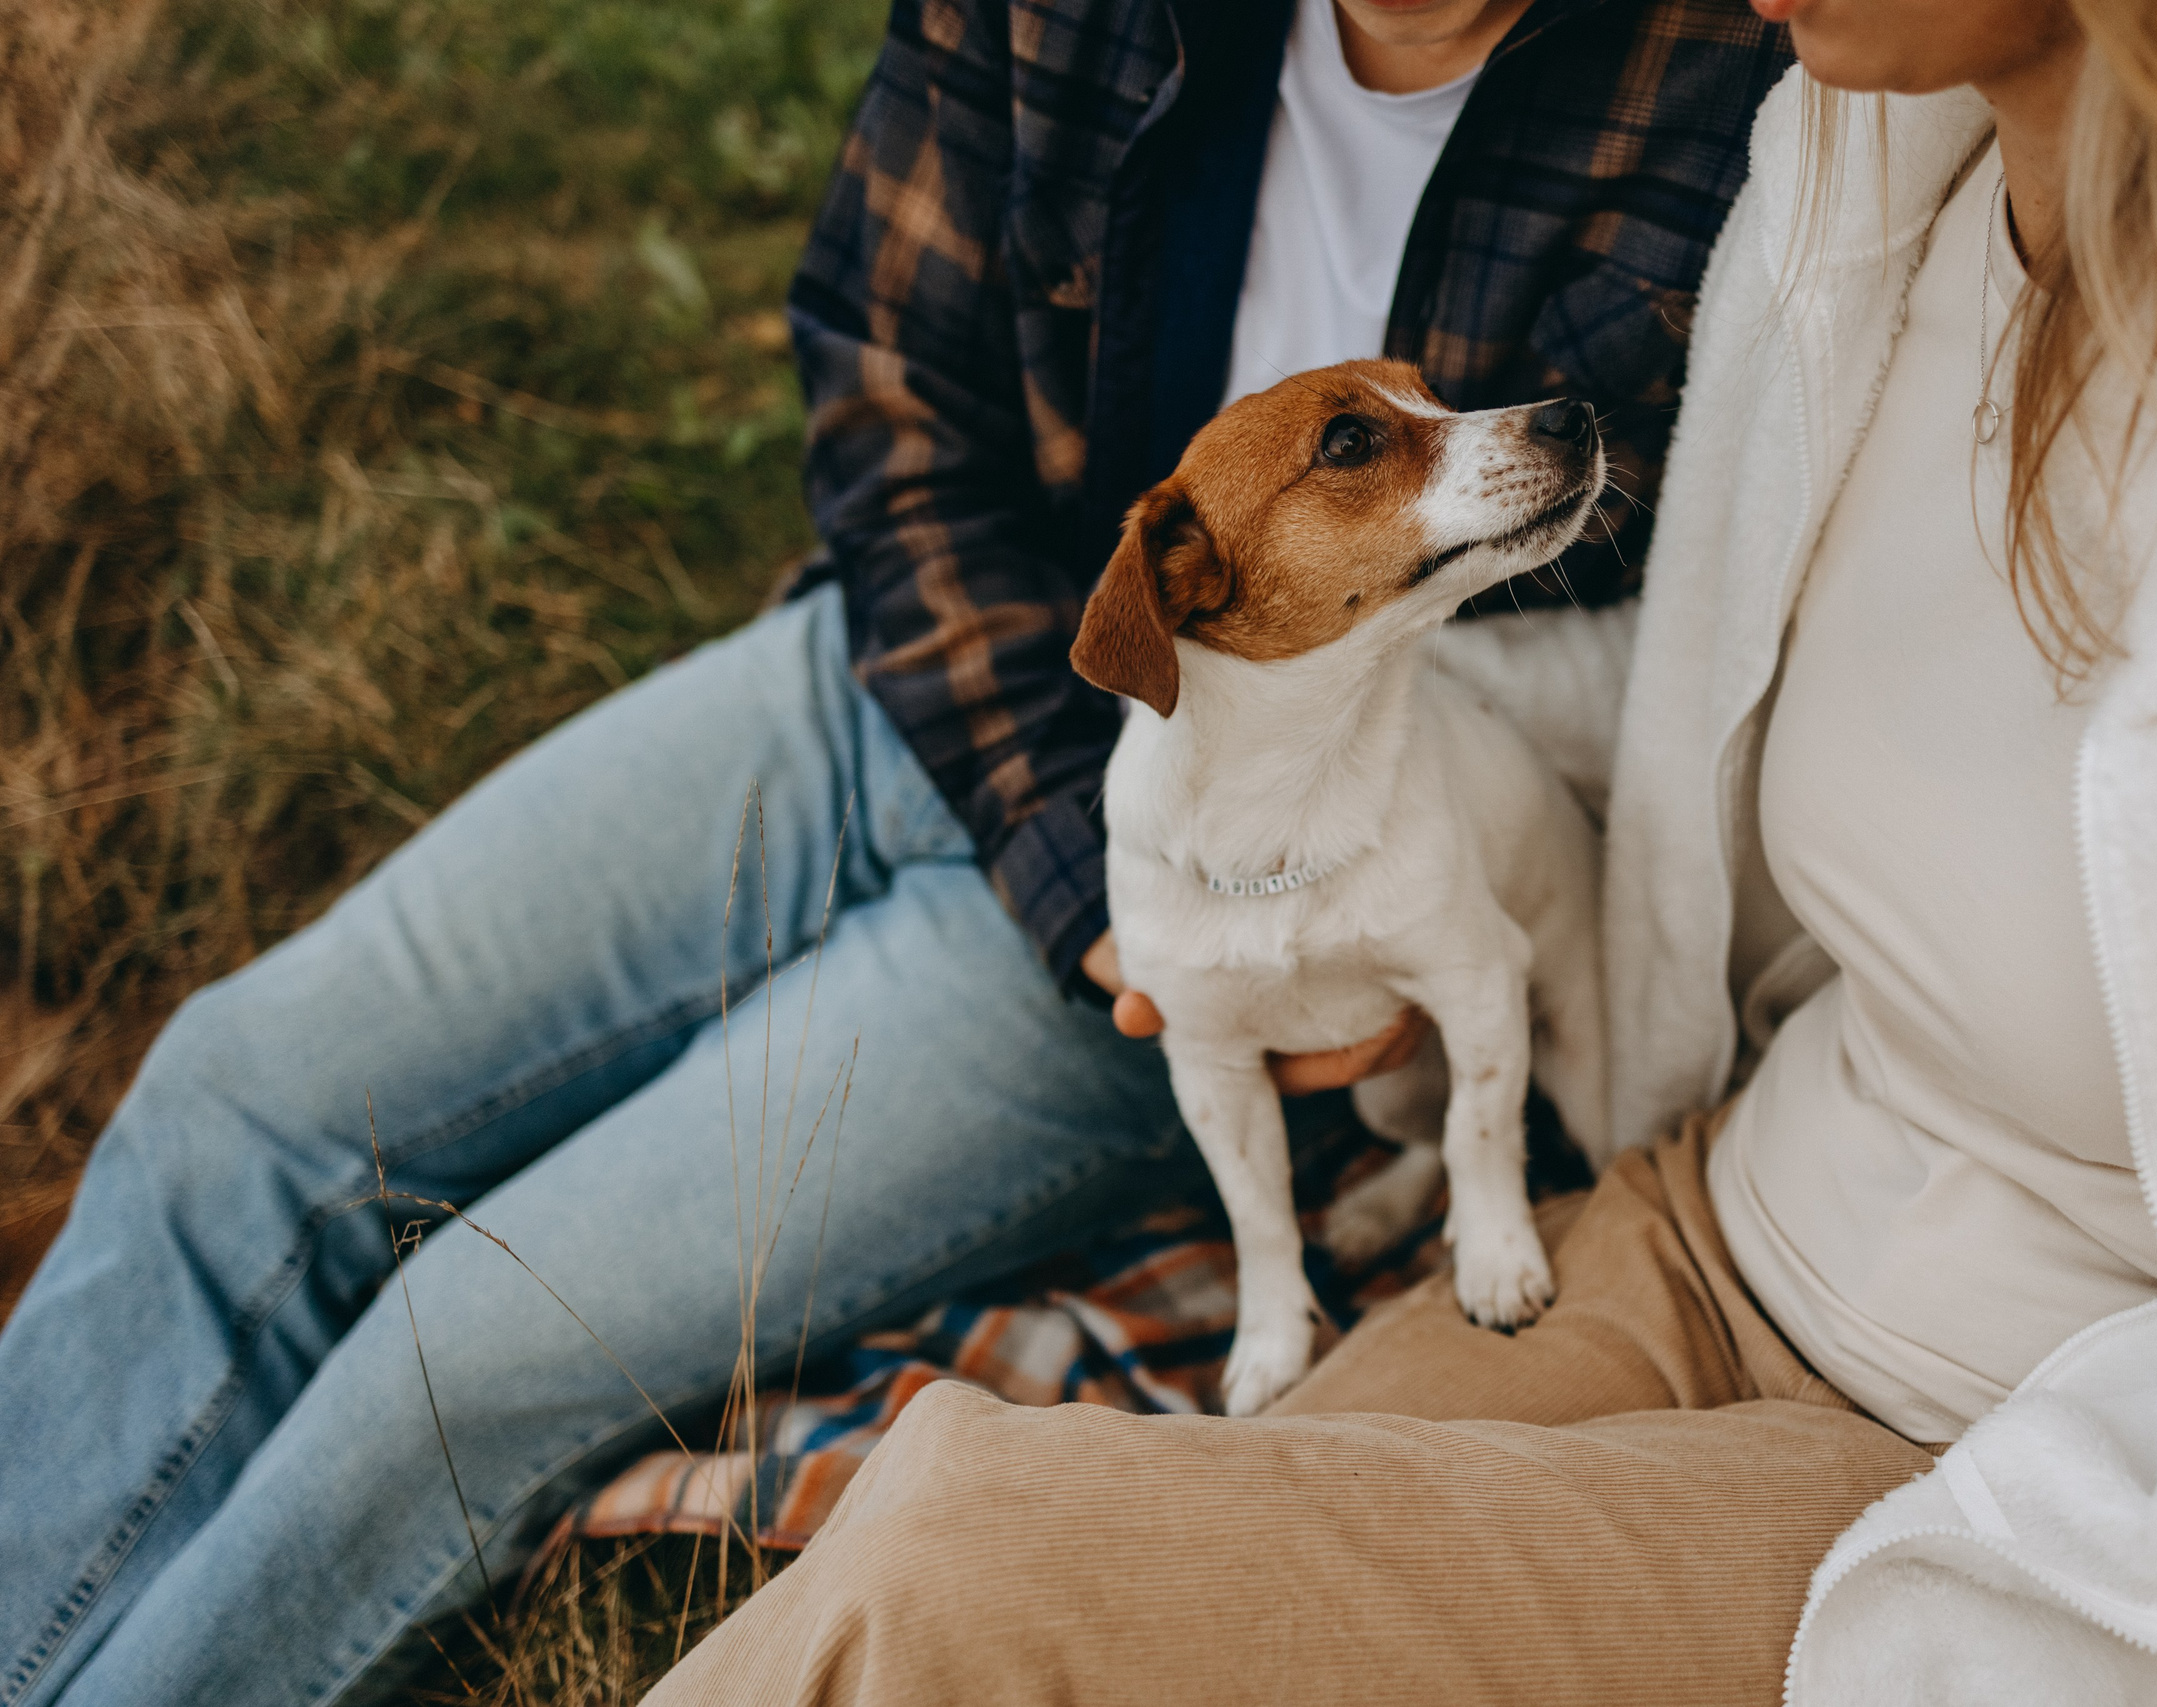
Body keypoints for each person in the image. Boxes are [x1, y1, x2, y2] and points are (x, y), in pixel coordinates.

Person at [629, 0, 2157, 1702]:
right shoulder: (1870, 175)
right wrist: (1296, 812)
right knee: (1065, 1545)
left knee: (969, 1552)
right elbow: (1705, 679)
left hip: (2037, 1458)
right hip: (1691, 1218)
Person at [0, 3, 1790, 1704]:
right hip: (907, 687)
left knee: (455, 1362)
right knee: (232, 1095)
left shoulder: (1743, 62)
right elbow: (888, 393)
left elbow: (1686, 604)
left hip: (1237, 897)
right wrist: (1063, 852)